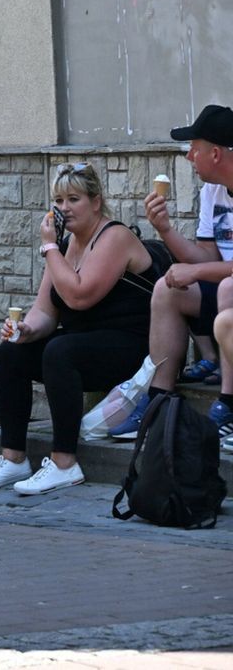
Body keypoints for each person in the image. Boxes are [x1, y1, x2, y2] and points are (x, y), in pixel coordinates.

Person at [0, 163, 157, 495]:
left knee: (61, 350)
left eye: (74, 199)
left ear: (95, 202)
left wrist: (49, 248)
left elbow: (79, 295)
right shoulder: (67, 244)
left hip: (130, 345)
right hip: (84, 344)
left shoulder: (114, 236)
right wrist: (26, 329)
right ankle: (13, 458)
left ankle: (64, 464)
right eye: (58, 200)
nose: (64, 208)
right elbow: (46, 309)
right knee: (12, 351)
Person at [106, 105, 233, 441]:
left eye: (196, 148)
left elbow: (204, 265)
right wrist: (165, 230)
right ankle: (159, 400)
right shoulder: (212, 191)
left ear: (216, 153)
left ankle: (228, 402)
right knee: (167, 289)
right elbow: (205, 254)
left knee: (225, 287)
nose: (190, 156)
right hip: (224, 289)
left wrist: (198, 271)